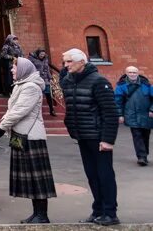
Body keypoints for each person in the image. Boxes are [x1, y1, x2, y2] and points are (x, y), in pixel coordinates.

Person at [61, 48, 119, 225]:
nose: (66, 65)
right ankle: (98, 210)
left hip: (98, 136)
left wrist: (108, 140)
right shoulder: (69, 81)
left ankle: (110, 213)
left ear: (82, 62)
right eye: (64, 62)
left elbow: (110, 112)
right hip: (82, 135)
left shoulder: (99, 81)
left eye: (70, 61)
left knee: (104, 174)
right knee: (92, 175)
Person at [0, 57, 56, 224]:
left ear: (22, 69)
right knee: (30, 177)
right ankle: (37, 213)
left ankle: (42, 215)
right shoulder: (22, 86)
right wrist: (4, 124)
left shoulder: (30, 87)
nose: (12, 71)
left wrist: (1, 126)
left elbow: (19, 111)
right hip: (22, 135)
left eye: (14, 68)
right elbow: (13, 109)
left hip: (30, 136)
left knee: (37, 178)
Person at [115, 65, 153, 166]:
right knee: (137, 135)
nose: (132, 74)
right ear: (126, 73)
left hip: (146, 115)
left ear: (138, 73)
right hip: (131, 114)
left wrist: (152, 110)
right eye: (130, 72)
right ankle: (141, 156)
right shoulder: (121, 86)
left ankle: (144, 154)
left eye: (134, 72)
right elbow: (118, 102)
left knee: (145, 135)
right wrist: (120, 115)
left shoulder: (146, 84)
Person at [29, 49, 57, 116]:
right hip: (37, 79)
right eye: (41, 54)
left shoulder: (45, 59)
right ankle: (37, 111)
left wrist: (50, 78)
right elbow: (30, 69)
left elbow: (47, 69)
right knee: (38, 96)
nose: (42, 55)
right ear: (38, 54)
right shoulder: (33, 60)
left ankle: (51, 110)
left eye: (43, 54)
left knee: (48, 95)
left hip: (45, 80)